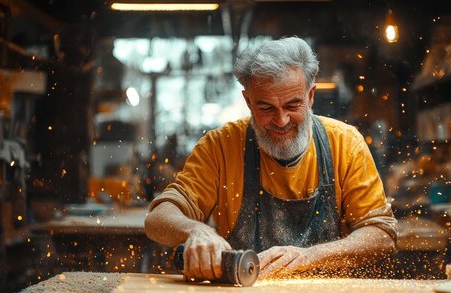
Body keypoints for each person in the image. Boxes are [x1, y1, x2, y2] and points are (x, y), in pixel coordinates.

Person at [145, 37, 397, 280]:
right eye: (266, 108)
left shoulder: (345, 144)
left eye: (292, 105)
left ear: (310, 96)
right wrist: (196, 230)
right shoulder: (221, 146)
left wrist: (312, 256)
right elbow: (158, 218)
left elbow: (382, 234)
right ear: (248, 101)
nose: (281, 120)